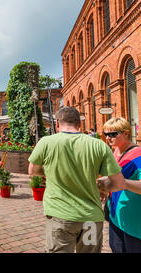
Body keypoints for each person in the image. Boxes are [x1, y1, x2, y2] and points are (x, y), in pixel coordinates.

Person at [28, 107, 126, 253]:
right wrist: (102, 187)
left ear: (57, 123)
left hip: (60, 217)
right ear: (80, 124)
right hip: (90, 219)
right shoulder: (99, 145)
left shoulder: (46, 142)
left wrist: (53, 172)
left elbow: (32, 171)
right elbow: (119, 184)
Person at [99, 117, 141, 253]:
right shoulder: (116, 152)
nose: (108, 138)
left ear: (126, 133)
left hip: (137, 221)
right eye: (106, 134)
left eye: (113, 134)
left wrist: (122, 183)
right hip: (118, 217)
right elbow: (116, 178)